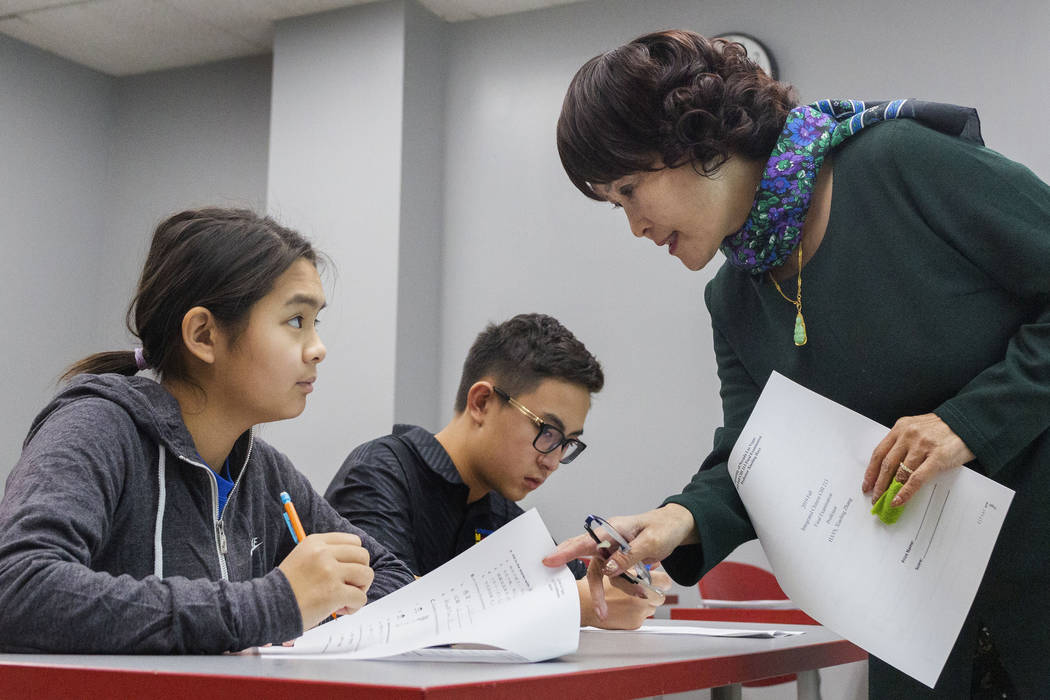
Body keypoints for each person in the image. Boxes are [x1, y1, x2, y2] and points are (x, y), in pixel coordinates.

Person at [543, 30, 1050, 697]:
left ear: (698, 142)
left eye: (631, 189)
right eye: (616, 205)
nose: (635, 226)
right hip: (925, 639)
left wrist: (965, 425)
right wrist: (671, 522)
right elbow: (758, 460)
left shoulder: (900, 163)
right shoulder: (733, 301)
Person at [0, 208, 414, 653]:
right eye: (296, 321)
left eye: (317, 323)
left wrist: (310, 605)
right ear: (203, 334)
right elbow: (18, 587)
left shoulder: (264, 474)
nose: (318, 349)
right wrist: (272, 604)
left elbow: (392, 577)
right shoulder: (97, 428)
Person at [326, 313, 668, 630]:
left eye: (567, 443)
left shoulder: (502, 512)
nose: (552, 461)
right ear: (482, 403)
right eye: (547, 432)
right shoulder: (379, 473)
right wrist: (577, 607)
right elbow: (378, 610)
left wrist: (627, 577)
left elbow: (580, 584)